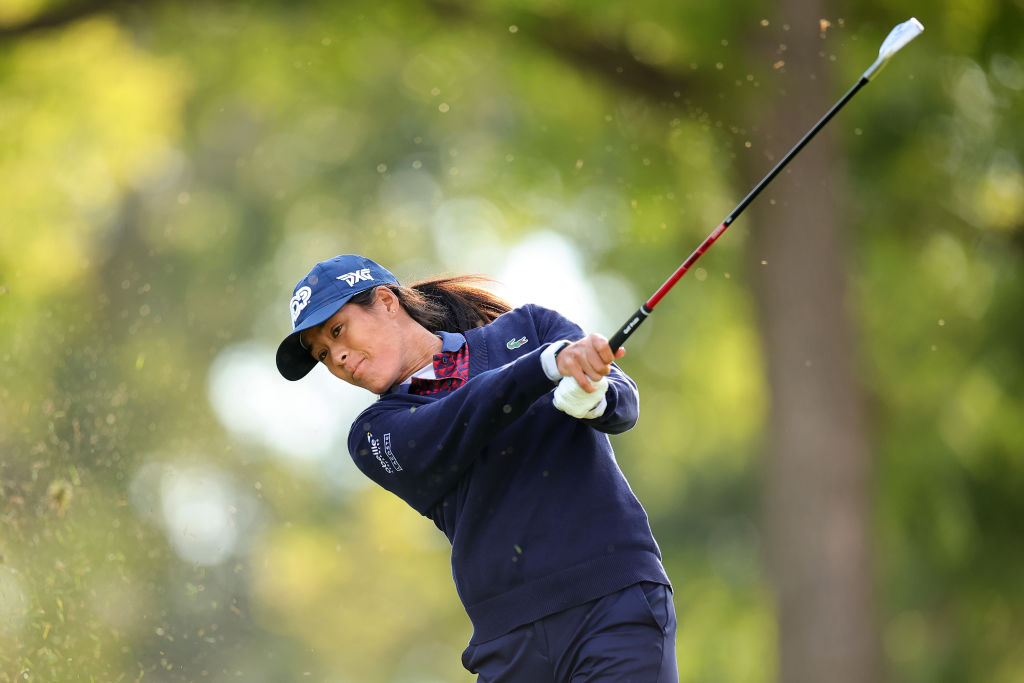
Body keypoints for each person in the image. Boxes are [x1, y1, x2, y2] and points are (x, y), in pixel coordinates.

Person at [276, 253, 677, 681]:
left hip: (613, 605)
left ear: (387, 301)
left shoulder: (531, 329)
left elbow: (623, 402)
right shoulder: (374, 435)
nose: (336, 357)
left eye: (338, 331)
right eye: (322, 353)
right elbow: (453, 421)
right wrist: (543, 367)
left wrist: (594, 397)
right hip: (508, 647)